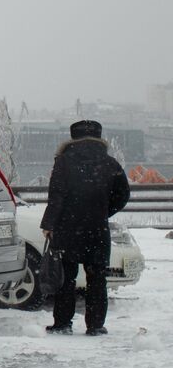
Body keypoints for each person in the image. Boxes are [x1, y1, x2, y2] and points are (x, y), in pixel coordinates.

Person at [41, 120, 130, 335]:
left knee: (66, 278)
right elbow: (123, 195)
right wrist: (103, 211)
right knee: (97, 278)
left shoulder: (63, 162)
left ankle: (63, 324)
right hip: (97, 229)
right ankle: (95, 326)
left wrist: (49, 224)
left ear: (73, 138)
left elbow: (56, 195)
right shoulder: (110, 163)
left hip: (67, 227)